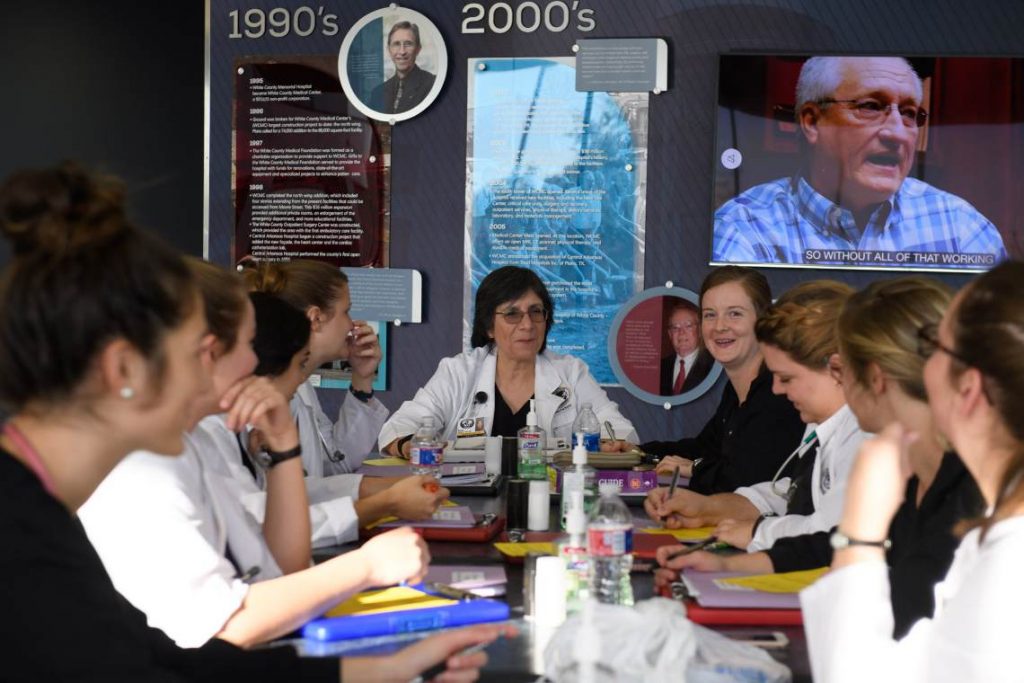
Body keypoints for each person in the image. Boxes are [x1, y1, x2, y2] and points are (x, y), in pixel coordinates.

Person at [0, 163, 504, 681]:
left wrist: (386, 670)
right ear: (124, 368)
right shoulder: (37, 524)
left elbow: (170, 660)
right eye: (203, 353)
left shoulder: (44, 509)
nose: (241, 368)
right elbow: (209, 634)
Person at [657, 276, 982, 638]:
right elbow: (836, 540)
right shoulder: (923, 473)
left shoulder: (956, 487)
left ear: (869, 376)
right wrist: (724, 563)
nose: (777, 390)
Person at [801, 261, 1024, 682]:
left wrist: (861, 529)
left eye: (935, 343)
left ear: (969, 388)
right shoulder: (997, 533)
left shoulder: (1010, 563)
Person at [713, 56, 1006, 268]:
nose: (897, 133)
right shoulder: (746, 229)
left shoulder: (960, 227)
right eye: (870, 107)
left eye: (908, 113)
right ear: (812, 122)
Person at [645, 280, 867, 552]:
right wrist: (706, 509)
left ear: (836, 369)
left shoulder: (866, 436)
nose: (777, 389)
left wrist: (756, 532)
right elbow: (790, 492)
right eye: (710, 314)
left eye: (786, 377)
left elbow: (829, 532)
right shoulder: (822, 424)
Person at [379, 265, 638, 455]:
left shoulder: (570, 373)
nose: (527, 325)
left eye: (535, 312)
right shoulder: (459, 372)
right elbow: (397, 429)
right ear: (489, 326)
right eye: (512, 314)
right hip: (466, 502)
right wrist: (411, 445)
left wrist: (613, 444)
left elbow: (622, 432)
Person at [608, 266, 805, 495]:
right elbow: (704, 448)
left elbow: (747, 479)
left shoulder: (779, 393)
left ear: (763, 321)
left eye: (735, 313)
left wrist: (695, 468)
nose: (720, 326)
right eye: (710, 315)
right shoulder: (735, 391)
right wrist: (638, 452)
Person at [241, 258, 388, 477]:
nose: (351, 324)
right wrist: (386, 499)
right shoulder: (276, 390)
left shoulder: (301, 387)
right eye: (346, 311)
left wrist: (362, 378)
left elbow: (334, 464)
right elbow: (298, 496)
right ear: (316, 318)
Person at [370, 21, 435, 115]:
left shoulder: (432, 84)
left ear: (418, 49)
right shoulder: (377, 93)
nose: (402, 51)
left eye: (408, 44)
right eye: (396, 44)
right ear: (389, 49)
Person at [658, 298, 714, 395]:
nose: (681, 333)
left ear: (700, 331)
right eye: (675, 327)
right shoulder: (659, 368)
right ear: (670, 334)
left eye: (688, 326)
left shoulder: (713, 365)